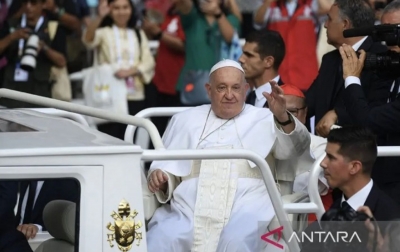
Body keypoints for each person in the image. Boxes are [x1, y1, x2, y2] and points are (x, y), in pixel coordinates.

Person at [146, 59, 311, 252]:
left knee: (236, 242)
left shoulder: (265, 117)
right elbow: (168, 168)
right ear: (208, 89)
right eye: (221, 88)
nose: (229, 95)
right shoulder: (184, 119)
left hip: (247, 201)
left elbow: (295, 148)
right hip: (189, 204)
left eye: (236, 87)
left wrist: (283, 117)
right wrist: (163, 178)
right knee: (163, 237)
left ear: (246, 89)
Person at [334, 0, 400, 205]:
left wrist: (352, 78)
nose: (391, 44)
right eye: (387, 35)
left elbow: (367, 119)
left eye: (396, 33)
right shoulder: (390, 72)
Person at [301, 126, 400, 251]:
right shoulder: (332, 213)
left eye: (331, 157)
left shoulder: (391, 219)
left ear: (354, 167)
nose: (323, 163)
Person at [305, 0, 393, 136]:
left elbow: (379, 106)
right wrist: (288, 101)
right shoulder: (329, 60)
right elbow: (309, 102)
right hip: (323, 149)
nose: (325, 25)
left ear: (345, 24)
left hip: (362, 149)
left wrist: (338, 113)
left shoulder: (382, 56)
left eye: (329, 19)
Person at [82, 0, 155, 140]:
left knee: (129, 139)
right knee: (108, 139)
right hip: (109, 94)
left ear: (131, 9)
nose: (121, 12)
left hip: (134, 95)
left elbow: (149, 61)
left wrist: (131, 71)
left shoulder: (138, 33)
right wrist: (99, 17)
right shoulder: (104, 32)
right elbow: (88, 40)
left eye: (125, 7)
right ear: (110, 10)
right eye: (116, 8)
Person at [0, 0, 67, 108]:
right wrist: (12, 37)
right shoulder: (11, 25)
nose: (28, 7)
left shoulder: (53, 27)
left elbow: (62, 61)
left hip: (39, 93)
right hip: (11, 92)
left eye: (33, 3)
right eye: (25, 3)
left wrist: (44, 48)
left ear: (43, 4)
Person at [253, 0, 319, 92]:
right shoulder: (272, 5)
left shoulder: (309, 4)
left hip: (306, 76)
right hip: (279, 76)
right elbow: (258, 20)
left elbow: (326, 8)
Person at [239, 29, 285, 108]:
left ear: (268, 61)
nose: (241, 59)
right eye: (243, 53)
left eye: (249, 55)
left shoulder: (287, 99)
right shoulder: (249, 98)